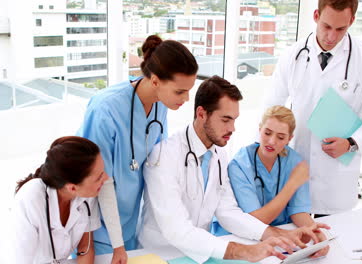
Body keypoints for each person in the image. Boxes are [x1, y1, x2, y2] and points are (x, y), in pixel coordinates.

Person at [139, 76, 329, 264]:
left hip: (201, 253)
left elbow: (227, 211)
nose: (233, 128)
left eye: (234, 120)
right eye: (225, 120)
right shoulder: (164, 156)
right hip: (161, 255)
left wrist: (281, 235)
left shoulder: (219, 155)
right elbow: (177, 229)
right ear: (201, 114)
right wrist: (244, 251)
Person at [77, 35, 198, 263]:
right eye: (180, 92)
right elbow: (98, 182)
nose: (186, 98)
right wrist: (116, 244)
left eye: (189, 90)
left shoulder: (161, 105)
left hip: (131, 225)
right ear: (155, 81)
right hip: (98, 229)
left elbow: (155, 160)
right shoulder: (105, 109)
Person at [265, 0, 362, 216]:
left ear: (351, 20)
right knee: (293, 244)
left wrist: (352, 143)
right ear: (315, 16)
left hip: (337, 181)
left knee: (332, 243)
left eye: (340, 29)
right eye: (326, 26)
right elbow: (271, 107)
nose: (331, 36)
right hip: (294, 171)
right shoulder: (292, 56)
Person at [213, 105, 329, 258]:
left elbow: (298, 211)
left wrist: (316, 233)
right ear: (260, 129)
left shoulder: (295, 162)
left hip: (281, 235)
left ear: (289, 139)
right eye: (267, 133)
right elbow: (256, 220)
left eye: (281, 137)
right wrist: (292, 184)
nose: (271, 141)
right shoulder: (240, 164)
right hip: (242, 238)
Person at [13, 136, 108, 264]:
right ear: (72, 188)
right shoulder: (31, 196)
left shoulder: (86, 195)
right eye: (99, 177)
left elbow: (85, 248)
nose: (106, 178)